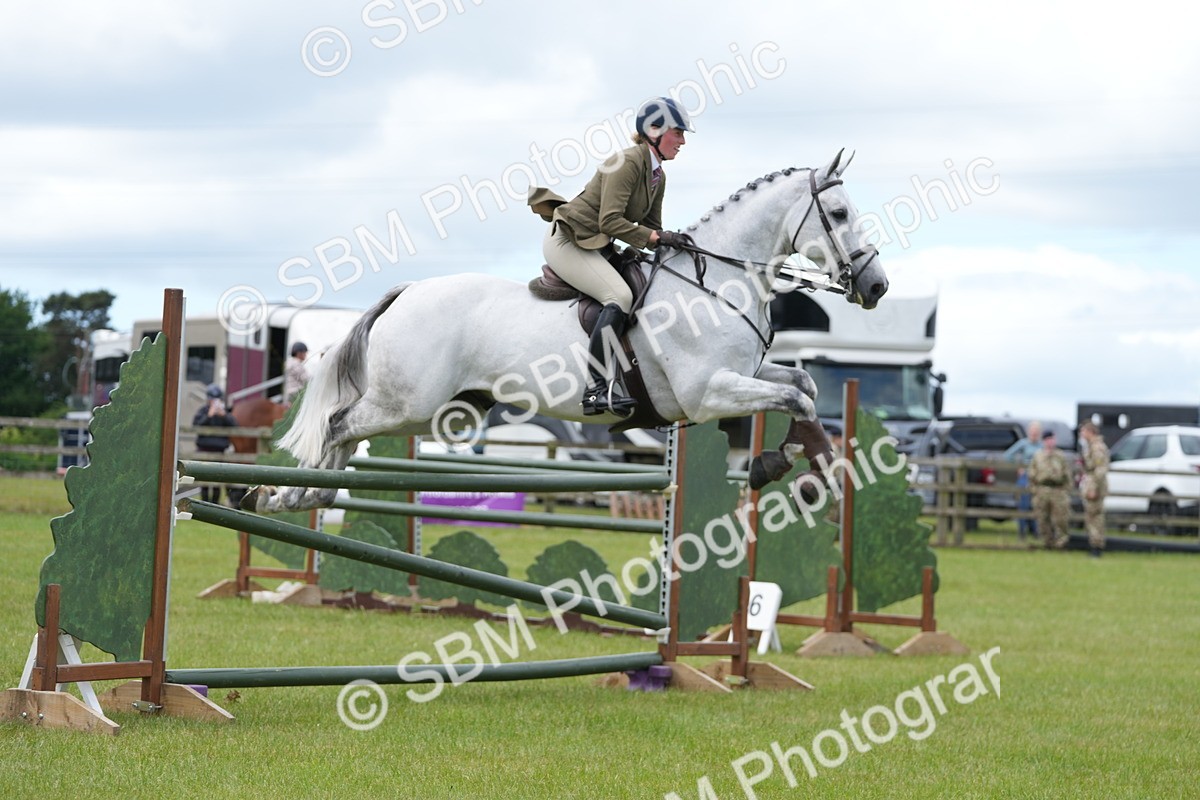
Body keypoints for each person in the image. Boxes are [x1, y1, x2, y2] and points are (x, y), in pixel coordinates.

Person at [529, 96, 694, 416]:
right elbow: (610, 222)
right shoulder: (626, 162)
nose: (683, 141)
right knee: (619, 296)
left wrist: (675, 243)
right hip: (569, 240)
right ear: (654, 131)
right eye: (678, 133)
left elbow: (651, 229)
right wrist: (655, 238)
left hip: (596, 243)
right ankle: (595, 390)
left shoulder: (658, 175)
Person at [193, 384, 237, 504]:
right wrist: (209, 416)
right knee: (204, 480)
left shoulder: (224, 412)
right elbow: (196, 426)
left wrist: (224, 416)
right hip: (204, 450)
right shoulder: (203, 411)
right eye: (212, 399)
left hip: (220, 451)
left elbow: (235, 426)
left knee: (217, 480)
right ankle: (204, 504)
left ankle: (215, 504)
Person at [1027, 430, 1071, 549]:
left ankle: (1061, 543)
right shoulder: (1038, 456)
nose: (1050, 442)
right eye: (1047, 440)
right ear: (1044, 441)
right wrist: (1034, 490)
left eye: (1052, 439)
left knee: (1060, 519)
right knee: (1042, 518)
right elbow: (1032, 474)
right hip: (1042, 489)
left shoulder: (1060, 456)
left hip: (1058, 489)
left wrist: (1066, 490)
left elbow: (1067, 475)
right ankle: (1047, 542)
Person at [1003, 421, 1043, 540]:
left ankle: (1036, 532)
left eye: (1036, 432)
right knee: (1023, 505)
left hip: (1039, 477)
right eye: (1032, 432)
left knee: (1037, 506)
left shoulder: (1042, 446)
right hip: (1025, 476)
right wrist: (1018, 466)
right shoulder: (1023, 444)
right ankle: (1022, 532)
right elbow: (1008, 455)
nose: (1034, 434)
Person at [1079, 421, 1109, 557]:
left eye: (1083, 431)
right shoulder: (1091, 446)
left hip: (1094, 485)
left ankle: (1097, 546)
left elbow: (1100, 469)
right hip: (1091, 483)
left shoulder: (1097, 448)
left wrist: (1094, 488)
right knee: (1091, 516)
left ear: (1090, 432)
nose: (1082, 434)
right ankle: (1094, 544)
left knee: (1095, 517)